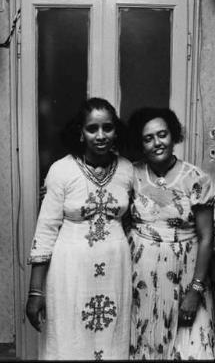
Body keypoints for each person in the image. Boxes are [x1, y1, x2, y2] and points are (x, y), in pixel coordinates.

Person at [26, 98, 134, 360]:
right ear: (80, 132)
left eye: (107, 128)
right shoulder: (61, 171)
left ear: (116, 131)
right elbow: (46, 230)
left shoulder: (128, 170)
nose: (100, 136)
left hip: (116, 270)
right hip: (69, 270)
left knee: (112, 338)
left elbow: (137, 220)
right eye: (92, 128)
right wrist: (35, 291)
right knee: (69, 338)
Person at [126, 107, 215, 360]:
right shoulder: (131, 174)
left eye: (162, 134)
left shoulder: (196, 179)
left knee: (188, 347)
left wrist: (195, 290)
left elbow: (207, 237)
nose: (157, 143)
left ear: (173, 136)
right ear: (140, 144)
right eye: (148, 138)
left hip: (185, 276)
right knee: (143, 344)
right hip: (139, 278)